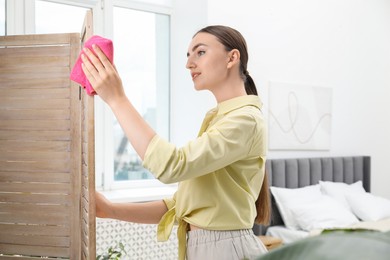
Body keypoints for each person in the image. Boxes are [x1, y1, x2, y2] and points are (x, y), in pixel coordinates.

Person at [81, 25, 271, 260]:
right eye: (188, 55)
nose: (189, 63)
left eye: (200, 52)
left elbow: (173, 166)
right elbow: (180, 206)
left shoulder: (245, 120)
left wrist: (117, 99)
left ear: (232, 57)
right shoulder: (221, 119)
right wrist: (109, 210)